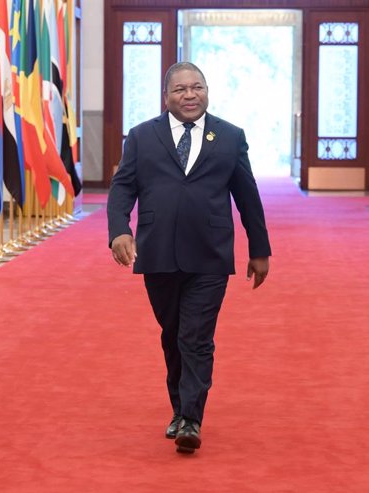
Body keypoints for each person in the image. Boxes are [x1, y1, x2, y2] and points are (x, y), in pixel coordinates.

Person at [107, 62, 271, 454]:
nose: (190, 95)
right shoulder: (142, 136)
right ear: (167, 97)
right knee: (173, 335)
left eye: (197, 87)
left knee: (195, 336)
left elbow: (248, 197)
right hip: (158, 252)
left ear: (208, 91)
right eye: (181, 89)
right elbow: (122, 188)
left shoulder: (230, 137)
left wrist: (259, 249)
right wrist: (119, 230)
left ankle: (191, 420)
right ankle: (180, 410)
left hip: (210, 254)